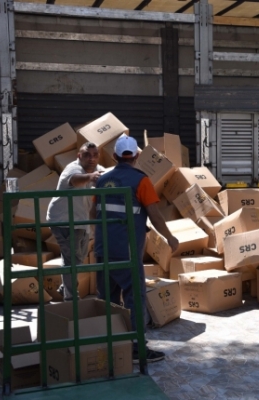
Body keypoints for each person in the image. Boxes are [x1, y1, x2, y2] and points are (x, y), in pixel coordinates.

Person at [91, 134, 178, 363]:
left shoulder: (101, 180)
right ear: (137, 156)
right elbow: (155, 215)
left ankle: (109, 345)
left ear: (114, 155)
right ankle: (137, 349)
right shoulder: (141, 181)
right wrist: (170, 237)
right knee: (134, 299)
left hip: (103, 249)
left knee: (106, 298)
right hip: (127, 250)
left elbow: (94, 213)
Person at [47, 142, 105, 301]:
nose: (91, 159)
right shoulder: (73, 168)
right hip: (64, 221)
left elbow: (105, 175)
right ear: (79, 156)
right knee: (72, 259)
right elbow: (75, 180)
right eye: (87, 155)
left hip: (80, 221)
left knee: (79, 257)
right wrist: (91, 177)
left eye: (94, 155)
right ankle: (71, 299)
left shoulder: (97, 168)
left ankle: (64, 286)